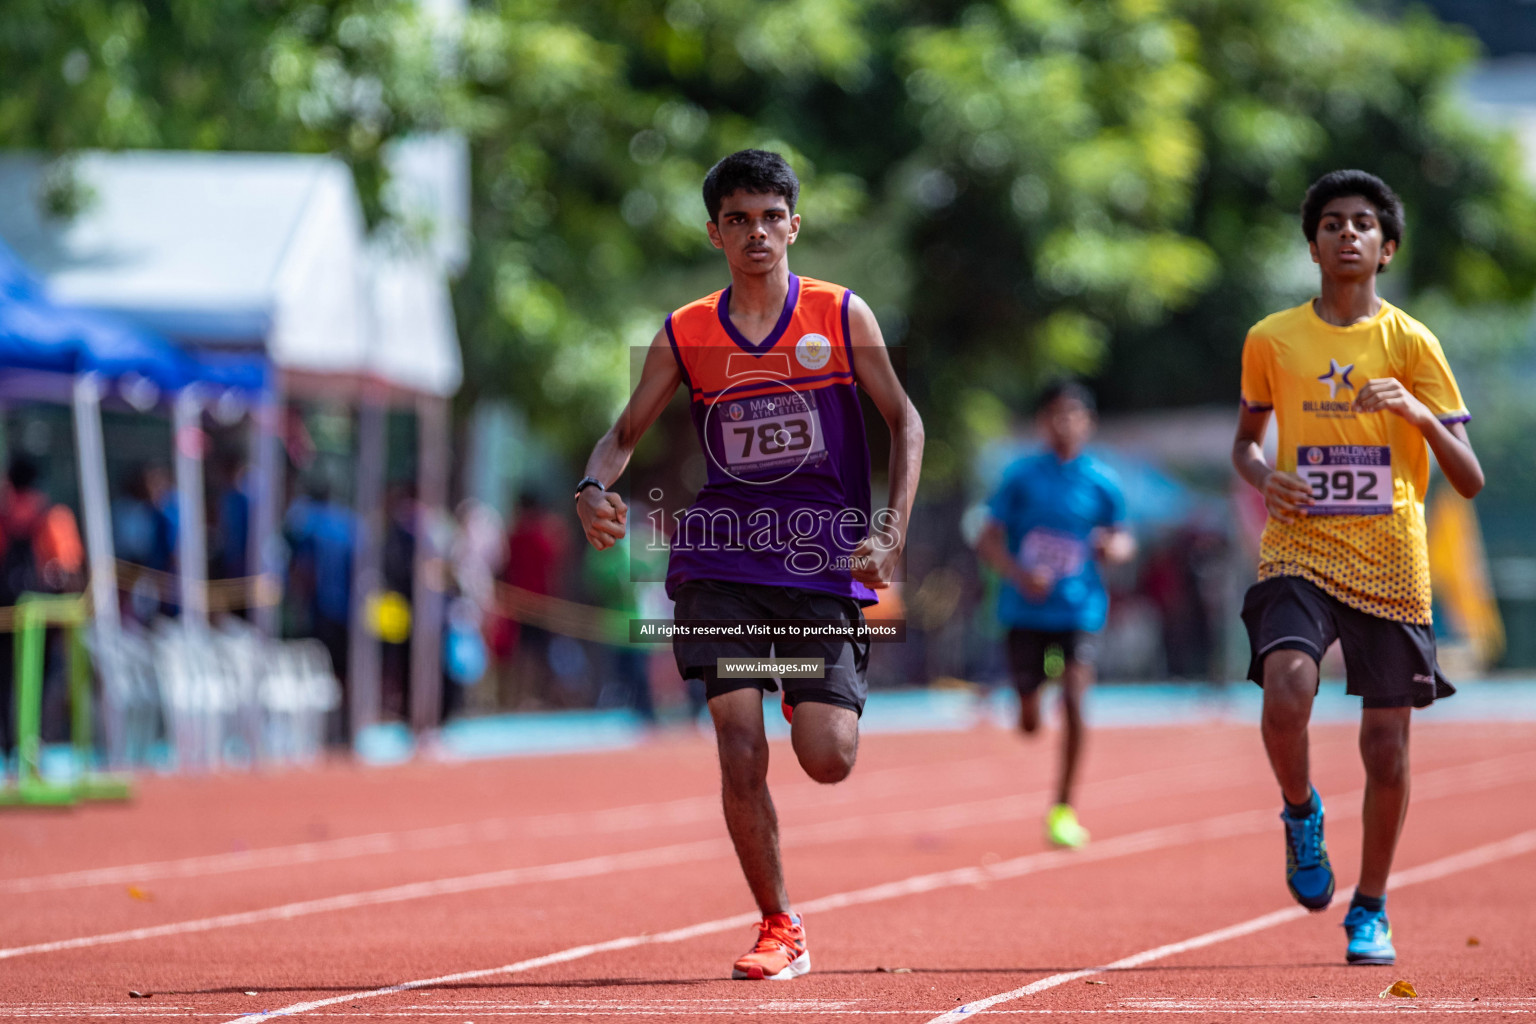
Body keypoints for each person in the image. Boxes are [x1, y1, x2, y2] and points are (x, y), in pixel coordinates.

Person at [576, 149, 922, 980]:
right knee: (738, 744)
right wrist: (591, 487)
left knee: (828, 756)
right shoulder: (688, 330)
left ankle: (805, 698)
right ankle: (779, 924)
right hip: (718, 565)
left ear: (794, 225)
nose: (757, 233)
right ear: (715, 233)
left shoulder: (842, 316)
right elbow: (622, 438)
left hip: (816, 568)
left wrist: (890, 532)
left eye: (771, 217)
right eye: (739, 219)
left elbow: (905, 423)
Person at [1231, 170, 1484, 966]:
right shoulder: (1272, 338)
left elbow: (1470, 476)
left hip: (1390, 557)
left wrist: (1415, 413)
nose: (1348, 235)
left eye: (1363, 225)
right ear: (1312, 247)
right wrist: (1263, 473)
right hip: (1301, 546)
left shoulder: (1412, 343)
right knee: (1288, 687)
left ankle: (1370, 907)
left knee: (1386, 747)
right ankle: (1300, 811)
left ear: (1387, 247)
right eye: (1332, 224)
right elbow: (1243, 443)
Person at [974, 380, 1135, 849]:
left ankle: (1063, 807)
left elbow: (1123, 538)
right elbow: (986, 539)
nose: (1065, 423)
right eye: (1056, 414)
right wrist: (1020, 573)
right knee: (1028, 721)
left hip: (1079, 609)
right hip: (1024, 610)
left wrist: (1114, 548)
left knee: (1077, 702)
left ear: (1089, 422)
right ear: (1043, 422)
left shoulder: (1103, 482)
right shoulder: (1020, 477)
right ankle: (1033, 689)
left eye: (1074, 414)